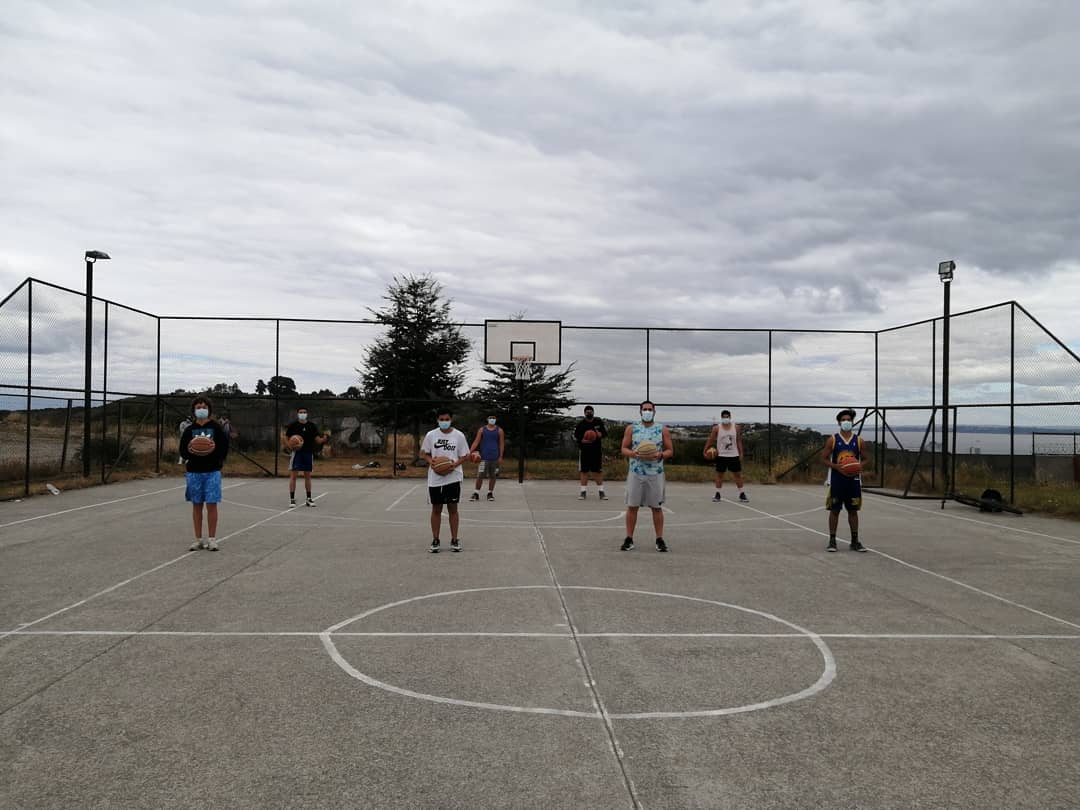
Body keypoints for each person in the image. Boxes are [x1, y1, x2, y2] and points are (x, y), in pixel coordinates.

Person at [619, 400, 674, 552]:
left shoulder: (662, 429)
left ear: (654, 411)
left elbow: (670, 450)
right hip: (636, 472)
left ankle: (659, 539)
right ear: (640, 411)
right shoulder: (632, 428)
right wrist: (633, 454)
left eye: (650, 409)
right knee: (632, 506)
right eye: (645, 409)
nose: (647, 412)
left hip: (655, 473)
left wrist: (661, 455)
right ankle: (629, 538)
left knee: (656, 507)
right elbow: (624, 448)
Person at [179, 395, 230, 551]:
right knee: (197, 505)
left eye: (204, 407)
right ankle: (198, 539)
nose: (201, 409)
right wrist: (193, 451)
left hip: (212, 471)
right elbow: (183, 451)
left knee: (212, 504)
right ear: (194, 410)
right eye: (198, 407)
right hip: (194, 471)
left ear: (209, 410)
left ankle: (212, 539)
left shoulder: (216, 428)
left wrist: (214, 457)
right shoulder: (189, 430)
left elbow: (223, 448)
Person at [420, 408, 471, 552]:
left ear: (451, 419)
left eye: (447, 419)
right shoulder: (431, 435)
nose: (444, 422)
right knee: (436, 509)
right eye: (441, 419)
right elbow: (425, 453)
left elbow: (465, 455)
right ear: (437, 420)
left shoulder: (459, 435)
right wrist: (431, 462)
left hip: (453, 477)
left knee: (453, 508)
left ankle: (454, 540)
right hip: (435, 478)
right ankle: (435, 540)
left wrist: (454, 464)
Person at [820, 408, 870, 552]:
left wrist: (859, 466)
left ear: (852, 422)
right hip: (837, 480)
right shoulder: (833, 439)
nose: (846, 422)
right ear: (839, 423)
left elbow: (866, 458)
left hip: (853, 481)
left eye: (848, 420)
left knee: (853, 511)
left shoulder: (859, 440)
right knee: (834, 510)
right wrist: (836, 466)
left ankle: (855, 541)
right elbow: (823, 458)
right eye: (843, 420)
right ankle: (832, 541)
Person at [283, 406, 327, 508]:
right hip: (297, 453)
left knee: (307, 476)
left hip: (308, 453)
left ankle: (309, 499)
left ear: (307, 414)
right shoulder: (293, 425)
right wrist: (290, 446)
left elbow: (318, 440)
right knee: (293, 476)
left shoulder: (311, 425)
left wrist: (324, 439)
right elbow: (285, 437)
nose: (302, 414)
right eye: (301, 412)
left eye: (304, 412)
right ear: (297, 413)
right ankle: (292, 499)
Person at [705, 409, 749, 502]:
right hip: (721, 455)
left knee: (737, 475)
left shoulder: (736, 427)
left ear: (730, 417)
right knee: (720, 475)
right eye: (724, 417)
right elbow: (711, 440)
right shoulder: (716, 428)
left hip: (734, 455)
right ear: (721, 418)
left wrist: (741, 453)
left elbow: (738, 441)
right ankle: (717, 494)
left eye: (727, 417)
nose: (726, 418)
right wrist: (705, 450)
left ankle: (742, 494)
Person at [573, 405, 608, 500]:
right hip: (584, 451)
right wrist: (582, 440)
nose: (589, 413)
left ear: (593, 412)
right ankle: (583, 492)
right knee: (584, 471)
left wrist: (600, 434)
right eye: (587, 412)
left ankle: (601, 492)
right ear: (584, 413)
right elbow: (576, 436)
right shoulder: (581, 424)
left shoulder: (598, 422)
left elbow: (605, 433)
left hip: (596, 451)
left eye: (591, 412)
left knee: (598, 471)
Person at [469, 412, 504, 501]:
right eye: (490, 417)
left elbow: (501, 444)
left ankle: (490, 493)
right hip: (483, 457)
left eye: (494, 418)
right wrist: (470, 452)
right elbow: (476, 441)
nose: (492, 419)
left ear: (496, 419)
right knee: (480, 475)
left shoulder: (499, 430)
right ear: (487, 419)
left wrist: (500, 456)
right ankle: (476, 493)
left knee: (493, 476)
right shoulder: (482, 430)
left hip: (495, 457)